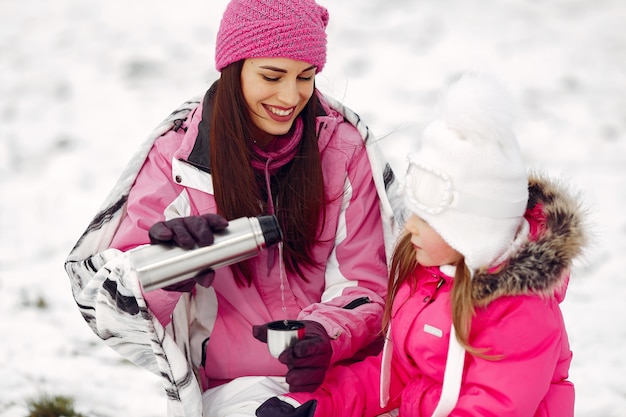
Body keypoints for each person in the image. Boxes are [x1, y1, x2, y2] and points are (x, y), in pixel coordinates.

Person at [64, 0, 401, 416]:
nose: (290, 95)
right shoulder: (178, 158)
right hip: (233, 389)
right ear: (233, 67)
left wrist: (324, 333)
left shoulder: (342, 149)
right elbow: (116, 302)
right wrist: (168, 264)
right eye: (272, 76)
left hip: (341, 375)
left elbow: (367, 281)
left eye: (306, 76)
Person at [255, 72, 590, 417]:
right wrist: (315, 405)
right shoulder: (431, 277)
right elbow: (396, 375)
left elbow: (492, 408)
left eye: (427, 220)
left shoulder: (520, 314)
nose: (409, 228)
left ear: (469, 232)